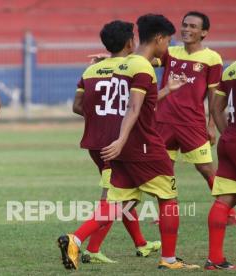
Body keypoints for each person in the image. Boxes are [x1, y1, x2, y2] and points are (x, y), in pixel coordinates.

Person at [58, 14, 200, 271]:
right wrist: (123, 139)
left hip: (122, 147)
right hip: (143, 144)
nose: (167, 47)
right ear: (158, 38)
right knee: (169, 199)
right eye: (167, 41)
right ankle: (169, 259)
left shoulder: (124, 65)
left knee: (117, 204)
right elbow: (133, 109)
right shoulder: (141, 67)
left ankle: (75, 239)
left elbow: (136, 104)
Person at [59, 20, 160, 268]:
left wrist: (101, 118)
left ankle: (141, 243)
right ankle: (83, 243)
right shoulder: (136, 66)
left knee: (123, 194)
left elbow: (77, 107)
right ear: (130, 42)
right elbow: (137, 99)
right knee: (117, 200)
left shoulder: (91, 70)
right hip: (120, 144)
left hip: (95, 142)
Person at [153, 12, 236, 222]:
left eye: (193, 26)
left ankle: (229, 211)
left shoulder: (212, 58)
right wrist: (111, 59)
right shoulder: (170, 52)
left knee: (206, 168)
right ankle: (167, 211)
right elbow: (142, 59)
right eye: (184, 25)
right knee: (164, 168)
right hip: (163, 121)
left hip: (192, 123)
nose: (187, 30)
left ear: (204, 32)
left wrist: (210, 125)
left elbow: (213, 96)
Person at [205, 61, 236, 270]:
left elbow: (216, 108)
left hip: (229, 139)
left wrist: (228, 135)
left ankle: (215, 259)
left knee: (224, 201)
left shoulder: (231, 68)